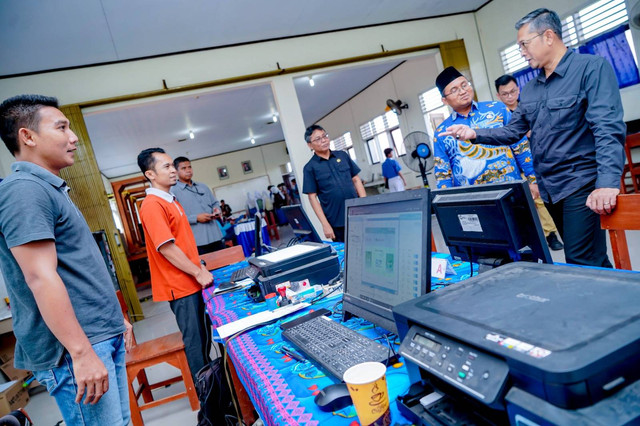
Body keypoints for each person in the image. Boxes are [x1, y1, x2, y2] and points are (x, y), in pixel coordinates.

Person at [443, 8, 626, 267]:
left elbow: (607, 128)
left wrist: (607, 183)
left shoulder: (590, 69)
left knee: (581, 259)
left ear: (548, 36)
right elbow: (512, 131)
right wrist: (474, 134)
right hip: (551, 190)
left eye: (524, 44)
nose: (522, 51)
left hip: (581, 184)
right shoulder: (530, 89)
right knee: (590, 260)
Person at [0, 94, 133, 425]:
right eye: (61, 127)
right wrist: (81, 352)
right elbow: (40, 277)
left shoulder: (49, 189)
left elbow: (79, 269)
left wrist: (116, 320)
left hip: (99, 336)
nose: (73, 137)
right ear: (27, 136)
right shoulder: (23, 190)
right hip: (76, 349)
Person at [137, 148, 214, 381]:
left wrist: (199, 266)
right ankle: (210, 405)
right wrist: (196, 272)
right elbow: (166, 247)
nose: (173, 171)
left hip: (190, 279)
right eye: (167, 167)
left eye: (173, 166)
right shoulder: (152, 205)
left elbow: (182, 242)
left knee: (204, 341)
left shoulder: (171, 200)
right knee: (196, 344)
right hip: (180, 284)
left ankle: (217, 390)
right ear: (150, 174)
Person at [433, 66, 537, 190]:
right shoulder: (443, 132)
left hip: (512, 190)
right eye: (454, 90)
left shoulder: (498, 109)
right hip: (473, 201)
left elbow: (521, 146)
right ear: (444, 100)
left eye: (464, 85)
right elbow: (443, 174)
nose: (462, 91)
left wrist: (533, 180)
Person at [495, 74, 563, 251]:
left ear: (519, 89)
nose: (510, 97)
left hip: (536, 162)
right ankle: (529, 240)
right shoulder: (497, 116)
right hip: (512, 168)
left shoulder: (530, 108)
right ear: (498, 96)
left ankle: (551, 234)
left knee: (540, 199)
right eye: (505, 94)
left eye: (513, 91)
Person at [302, 124, 366, 242]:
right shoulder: (310, 168)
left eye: (324, 136)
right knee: (346, 255)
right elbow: (312, 198)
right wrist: (325, 224)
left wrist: (365, 204)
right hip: (336, 221)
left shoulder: (342, 156)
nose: (324, 140)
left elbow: (356, 180)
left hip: (358, 214)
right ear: (310, 145)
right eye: (318, 139)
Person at [172, 156, 225, 255]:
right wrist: (196, 218)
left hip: (216, 236)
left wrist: (217, 210)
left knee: (225, 265)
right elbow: (175, 217)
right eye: (184, 168)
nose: (188, 170)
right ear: (176, 171)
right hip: (197, 241)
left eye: (189, 167)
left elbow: (215, 203)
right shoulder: (173, 191)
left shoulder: (203, 186)